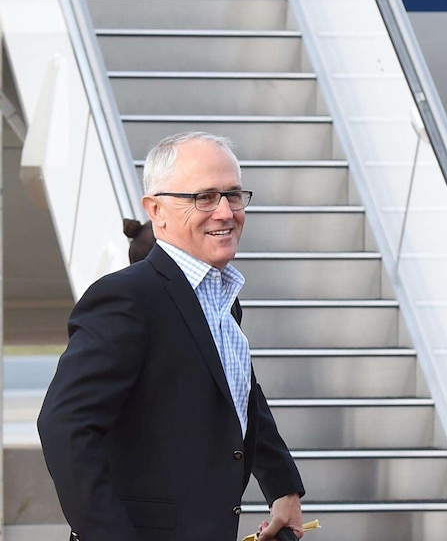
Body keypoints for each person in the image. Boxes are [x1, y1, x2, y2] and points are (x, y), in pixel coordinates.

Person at [38, 132, 305, 541]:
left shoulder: (221, 297)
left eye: (233, 195)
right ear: (156, 210)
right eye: (203, 197)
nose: (224, 212)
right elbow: (64, 426)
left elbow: (239, 393)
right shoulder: (127, 297)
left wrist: (283, 487)